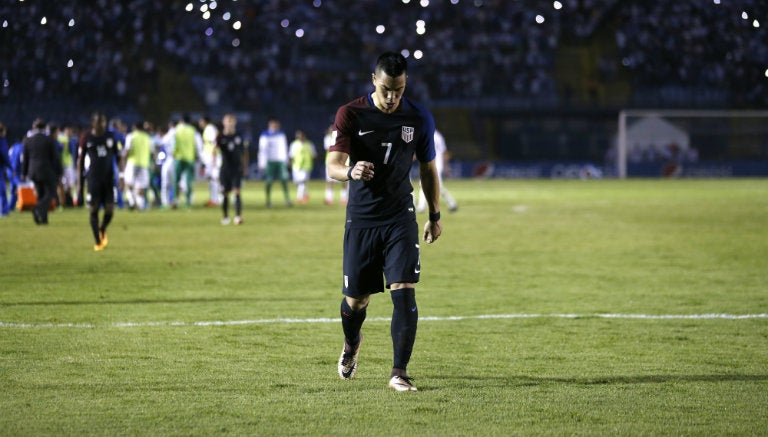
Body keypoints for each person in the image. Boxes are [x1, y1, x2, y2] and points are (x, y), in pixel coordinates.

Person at [327, 51, 443, 392]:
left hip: (399, 215)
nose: (393, 97)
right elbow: (332, 165)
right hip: (362, 218)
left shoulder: (418, 117)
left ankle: (399, 373)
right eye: (388, 89)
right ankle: (351, 344)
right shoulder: (351, 113)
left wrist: (434, 215)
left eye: (400, 89)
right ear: (374, 80)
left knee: (404, 289)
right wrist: (350, 171)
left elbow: (427, 168)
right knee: (356, 302)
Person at [76, 112, 122, 251]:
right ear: (93, 123)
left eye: (104, 122)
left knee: (110, 209)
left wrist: (122, 176)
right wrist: (80, 183)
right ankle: (98, 242)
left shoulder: (110, 137)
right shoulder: (86, 137)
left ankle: (102, 228)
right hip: (93, 179)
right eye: (99, 122)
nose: (102, 124)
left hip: (108, 179)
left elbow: (118, 157)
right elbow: (80, 160)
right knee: (93, 210)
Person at [22, 118, 62, 225]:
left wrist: (24, 173)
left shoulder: (27, 140)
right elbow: (55, 158)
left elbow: (25, 158)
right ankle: (37, 208)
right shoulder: (49, 139)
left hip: (33, 171)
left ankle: (43, 220)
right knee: (51, 192)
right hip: (46, 170)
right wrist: (59, 171)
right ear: (45, 127)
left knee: (40, 194)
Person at [215, 113, 248, 225]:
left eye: (231, 121)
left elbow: (244, 153)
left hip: (236, 169)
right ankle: (225, 217)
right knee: (224, 193)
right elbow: (214, 150)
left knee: (236, 192)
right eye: (227, 121)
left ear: (235, 123)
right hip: (224, 169)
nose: (229, 123)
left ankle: (238, 216)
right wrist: (214, 164)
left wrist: (244, 167)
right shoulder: (220, 136)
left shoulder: (239, 136)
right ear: (223, 123)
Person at [416, 128, 458, 213]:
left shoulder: (436, 136)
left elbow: (443, 152)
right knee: (423, 184)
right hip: (429, 164)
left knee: (438, 186)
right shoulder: (431, 135)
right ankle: (421, 207)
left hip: (437, 165)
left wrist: (445, 166)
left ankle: (452, 203)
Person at [258, 117, 292, 208]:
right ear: (270, 125)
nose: (275, 126)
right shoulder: (264, 135)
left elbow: (284, 148)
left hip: (280, 161)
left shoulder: (281, 134)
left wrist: (287, 159)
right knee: (269, 181)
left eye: (276, 125)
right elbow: (262, 150)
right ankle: (268, 200)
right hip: (269, 161)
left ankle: (287, 199)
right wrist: (262, 163)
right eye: (273, 124)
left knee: (284, 179)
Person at [121, 121, 153, 210]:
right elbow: (152, 152)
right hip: (144, 164)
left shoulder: (131, 136)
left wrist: (123, 161)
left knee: (129, 183)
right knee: (141, 186)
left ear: (134, 127)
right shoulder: (147, 138)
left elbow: (127, 150)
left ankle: (131, 202)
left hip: (132, 162)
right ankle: (141, 205)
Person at [173, 114, 202, 209]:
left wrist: (172, 153)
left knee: (176, 180)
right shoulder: (193, 131)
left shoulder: (176, 130)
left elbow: (169, 142)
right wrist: (198, 157)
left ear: (181, 120)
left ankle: (176, 200)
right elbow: (198, 146)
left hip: (178, 158)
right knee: (189, 181)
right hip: (190, 159)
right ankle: (188, 202)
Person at [288, 129, 317, 204]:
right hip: (296, 166)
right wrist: (290, 163)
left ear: (304, 136)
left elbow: (314, 155)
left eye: (301, 135)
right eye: (298, 135)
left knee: (302, 182)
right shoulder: (294, 144)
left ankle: (299, 198)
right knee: (297, 183)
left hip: (306, 167)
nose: (299, 136)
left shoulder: (309, 144)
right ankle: (306, 194)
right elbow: (291, 155)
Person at [199, 115, 221, 207]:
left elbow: (215, 142)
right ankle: (214, 199)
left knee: (214, 178)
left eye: (201, 121)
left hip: (212, 157)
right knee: (212, 178)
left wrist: (214, 157)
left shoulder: (209, 129)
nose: (199, 123)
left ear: (204, 121)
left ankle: (217, 199)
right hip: (210, 157)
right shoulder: (209, 129)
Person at [323, 124, 348, 205]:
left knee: (344, 181)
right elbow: (329, 148)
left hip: (343, 161)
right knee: (330, 181)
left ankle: (344, 198)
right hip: (330, 161)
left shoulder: (343, 137)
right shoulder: (327, 138)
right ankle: (329, 198)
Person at [0, 122, 10, 217]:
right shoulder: (2, 141)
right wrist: (10, 166)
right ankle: (4, 210)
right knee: (2, 190)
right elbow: (4, 155)